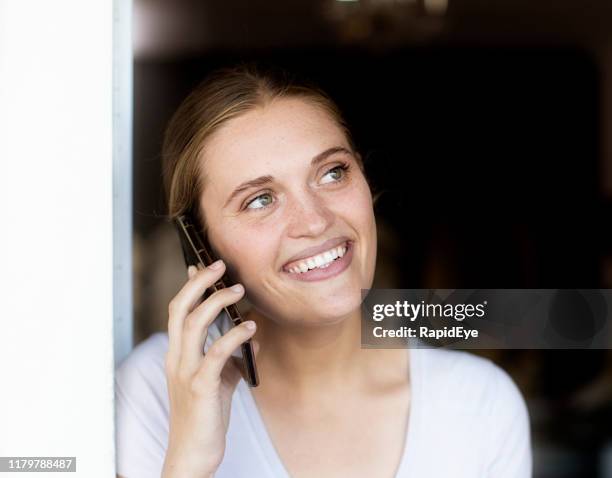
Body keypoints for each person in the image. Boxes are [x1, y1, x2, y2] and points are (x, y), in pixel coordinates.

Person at [115, 62, 532, 478]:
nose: (315, 221)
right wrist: (189, 463)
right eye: (260, 199)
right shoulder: (154, 392)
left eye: (332, 173)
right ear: (201, 247)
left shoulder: (480, 404)